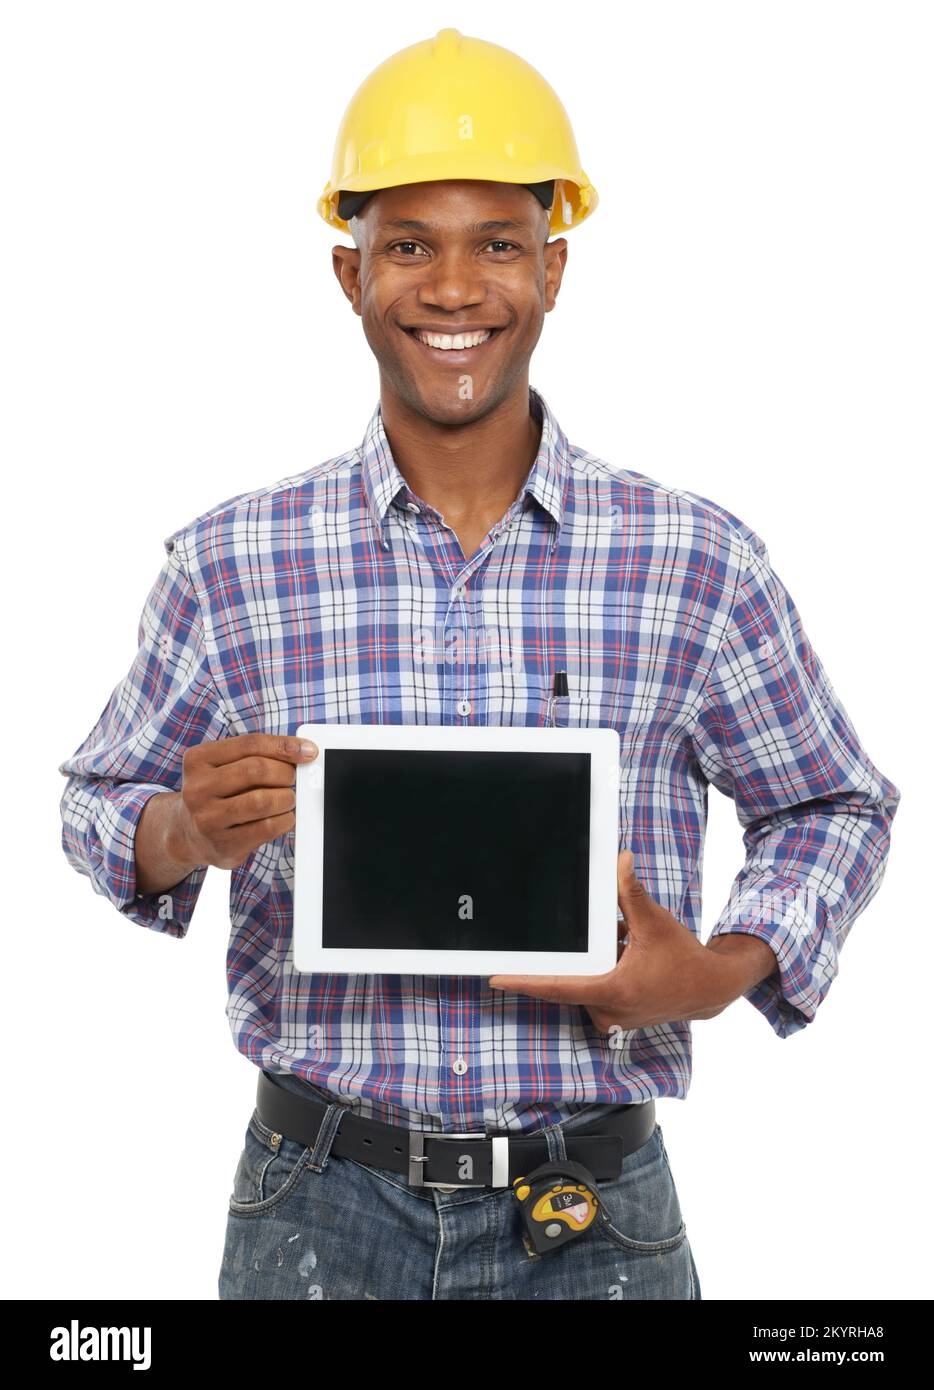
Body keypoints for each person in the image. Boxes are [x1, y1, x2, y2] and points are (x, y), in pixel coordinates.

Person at [57, 28, 901, 1301]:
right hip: (315, 1207)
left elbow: (833, 804)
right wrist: (178, 827)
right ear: (350, 274)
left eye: (496, 243)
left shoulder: (692, 559)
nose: (454, 289)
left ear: (552, 269)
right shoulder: (232, 561)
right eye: (409, 245)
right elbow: (95, 800)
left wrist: (716, 972)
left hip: (592, 1215)